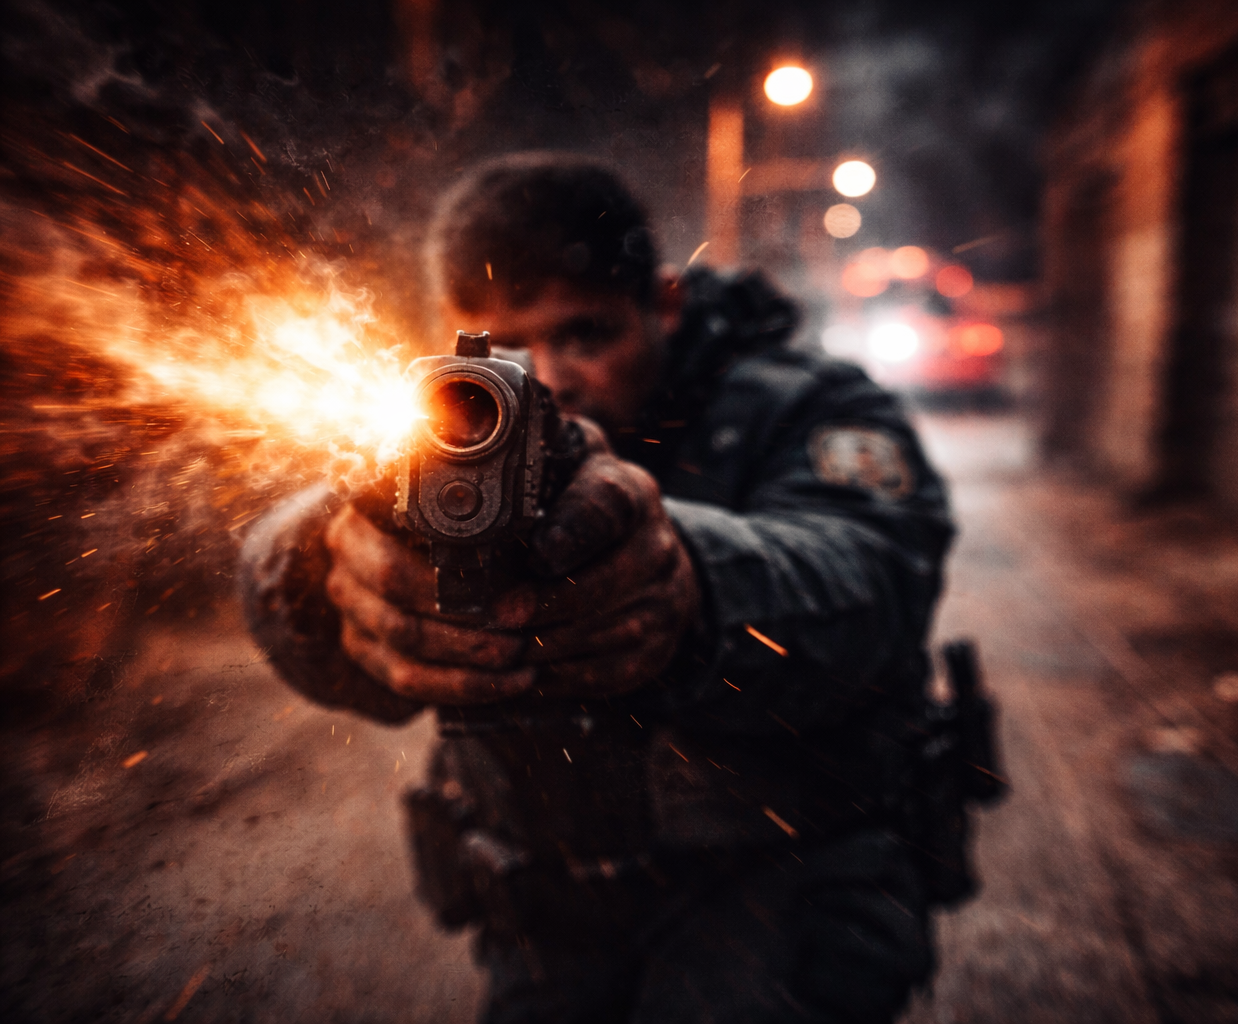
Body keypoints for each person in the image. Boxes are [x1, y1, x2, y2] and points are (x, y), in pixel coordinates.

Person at [240, 153, 956, 1023]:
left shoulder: (804, 404)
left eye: (586, 334)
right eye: (504, 349)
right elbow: (301, 535)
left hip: (781, 885)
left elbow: (870, 580)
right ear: (453, 335)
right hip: (549, 912)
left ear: (663, 304)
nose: (549, 378)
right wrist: (332, 569)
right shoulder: (441, 423)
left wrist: (688, 587)